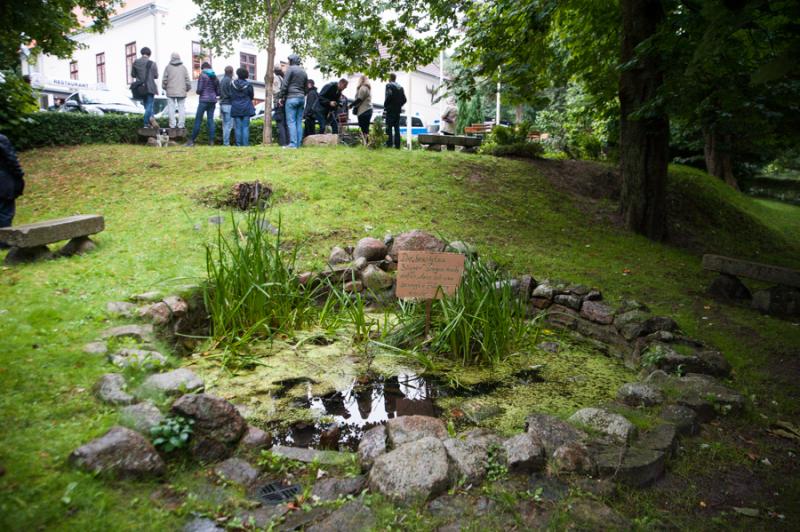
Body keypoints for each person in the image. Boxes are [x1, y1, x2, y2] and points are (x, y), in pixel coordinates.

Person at [186, 61, 220, 147]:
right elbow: (218, 92)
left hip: (203, 101)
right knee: (210, 120)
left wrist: (198, 92)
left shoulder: (202, 75)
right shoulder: (215, 77)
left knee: (198, 120)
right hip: (212, 101)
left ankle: (192, 140)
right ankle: (211, 141)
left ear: (203, 68)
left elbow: (199, 90)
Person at [279, 54, 308, 148]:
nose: (288, 62)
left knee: (291, 122)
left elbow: (284, 84)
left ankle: (293, 144)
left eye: (289, 61)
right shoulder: (304, 72)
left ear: (292, 61)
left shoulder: (290, 69)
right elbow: (306, 88)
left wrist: (281, 97)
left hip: (291, 98)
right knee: (299, 122)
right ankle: (298, 144)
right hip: (301, 98)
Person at [0, 134, 24, 237]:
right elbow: (11, 159)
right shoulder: (1, 139)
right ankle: (4, 242)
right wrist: (19, 174)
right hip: (3, 182)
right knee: (5, 212)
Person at [161, 52, 191, 129]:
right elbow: (187, 80)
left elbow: (164, 80)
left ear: (171, 58)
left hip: (170, 91)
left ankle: (172, 125)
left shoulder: (168, 67)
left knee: (171, 108)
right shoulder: (183, 68)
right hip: (182, 91)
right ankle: (181, 125)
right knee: (181, 108)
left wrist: (165, 87)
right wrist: (187, 88)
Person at [130, 47, 159, 127]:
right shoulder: (152, 63)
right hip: (150, 87)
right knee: (149, 105)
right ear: (149, 54)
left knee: (147, 106)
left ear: (141, 53)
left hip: (141, 87)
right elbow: (156, 76)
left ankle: (151, 121)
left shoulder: (136, 62)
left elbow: (133, 74)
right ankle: (146, 123)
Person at [230, 68, 256, 147]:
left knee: (237, 127)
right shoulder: (249, 85)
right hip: (246, 107)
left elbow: (231, 95)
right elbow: (251, 96)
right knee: (245, 127)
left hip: (236, 107)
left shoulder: (232, 84)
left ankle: (238, 144)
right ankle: (245, 145)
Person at [383, 73, 406, 149]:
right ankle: (397, 146)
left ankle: (389, 145)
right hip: (397, 111)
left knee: (388, 128)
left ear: (390, 78)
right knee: (397, 129)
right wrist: (399, 105)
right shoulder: (400, 87)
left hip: (390, 110)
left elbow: (388, 96)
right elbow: (404, 99)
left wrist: (386, 105)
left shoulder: (389, 85)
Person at [352, 75, 373, 141]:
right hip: (368, 110)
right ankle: (367, 143)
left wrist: (351, 105)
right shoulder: (367, 88)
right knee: (366, 128)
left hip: (363, 111)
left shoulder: (362, 88)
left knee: (363, 129)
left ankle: (365, 143)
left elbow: (359, 99)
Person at [272, 66, 289, 146]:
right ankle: (287, 141)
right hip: (285, 103)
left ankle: (283, 143)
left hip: (279, 103)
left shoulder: (276, 78)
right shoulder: (284, 79)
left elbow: (276, 91)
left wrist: (278, 99)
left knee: (280, 123)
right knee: (285, 123)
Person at [219, 66, 235, 146]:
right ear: (231, 72)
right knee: (229, 125)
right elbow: (230, 93)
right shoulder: (229, 81)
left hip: (222, 104)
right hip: (228, 104)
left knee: (224, 125)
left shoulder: (222, 80)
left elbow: (219, 92)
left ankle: (225, 142)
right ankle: (226, 143)